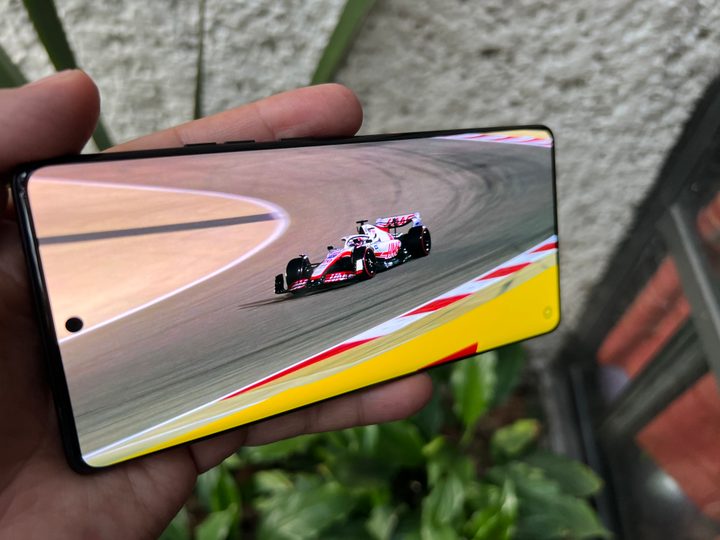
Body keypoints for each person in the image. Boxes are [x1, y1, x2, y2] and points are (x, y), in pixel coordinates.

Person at [0, 70, 432, 538]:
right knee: (331, 259)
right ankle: (318, 272)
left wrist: (387, 239)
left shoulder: (383, 240)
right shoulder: (351, 244)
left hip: (382, 251)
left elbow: (380, 241)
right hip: (354, 252)